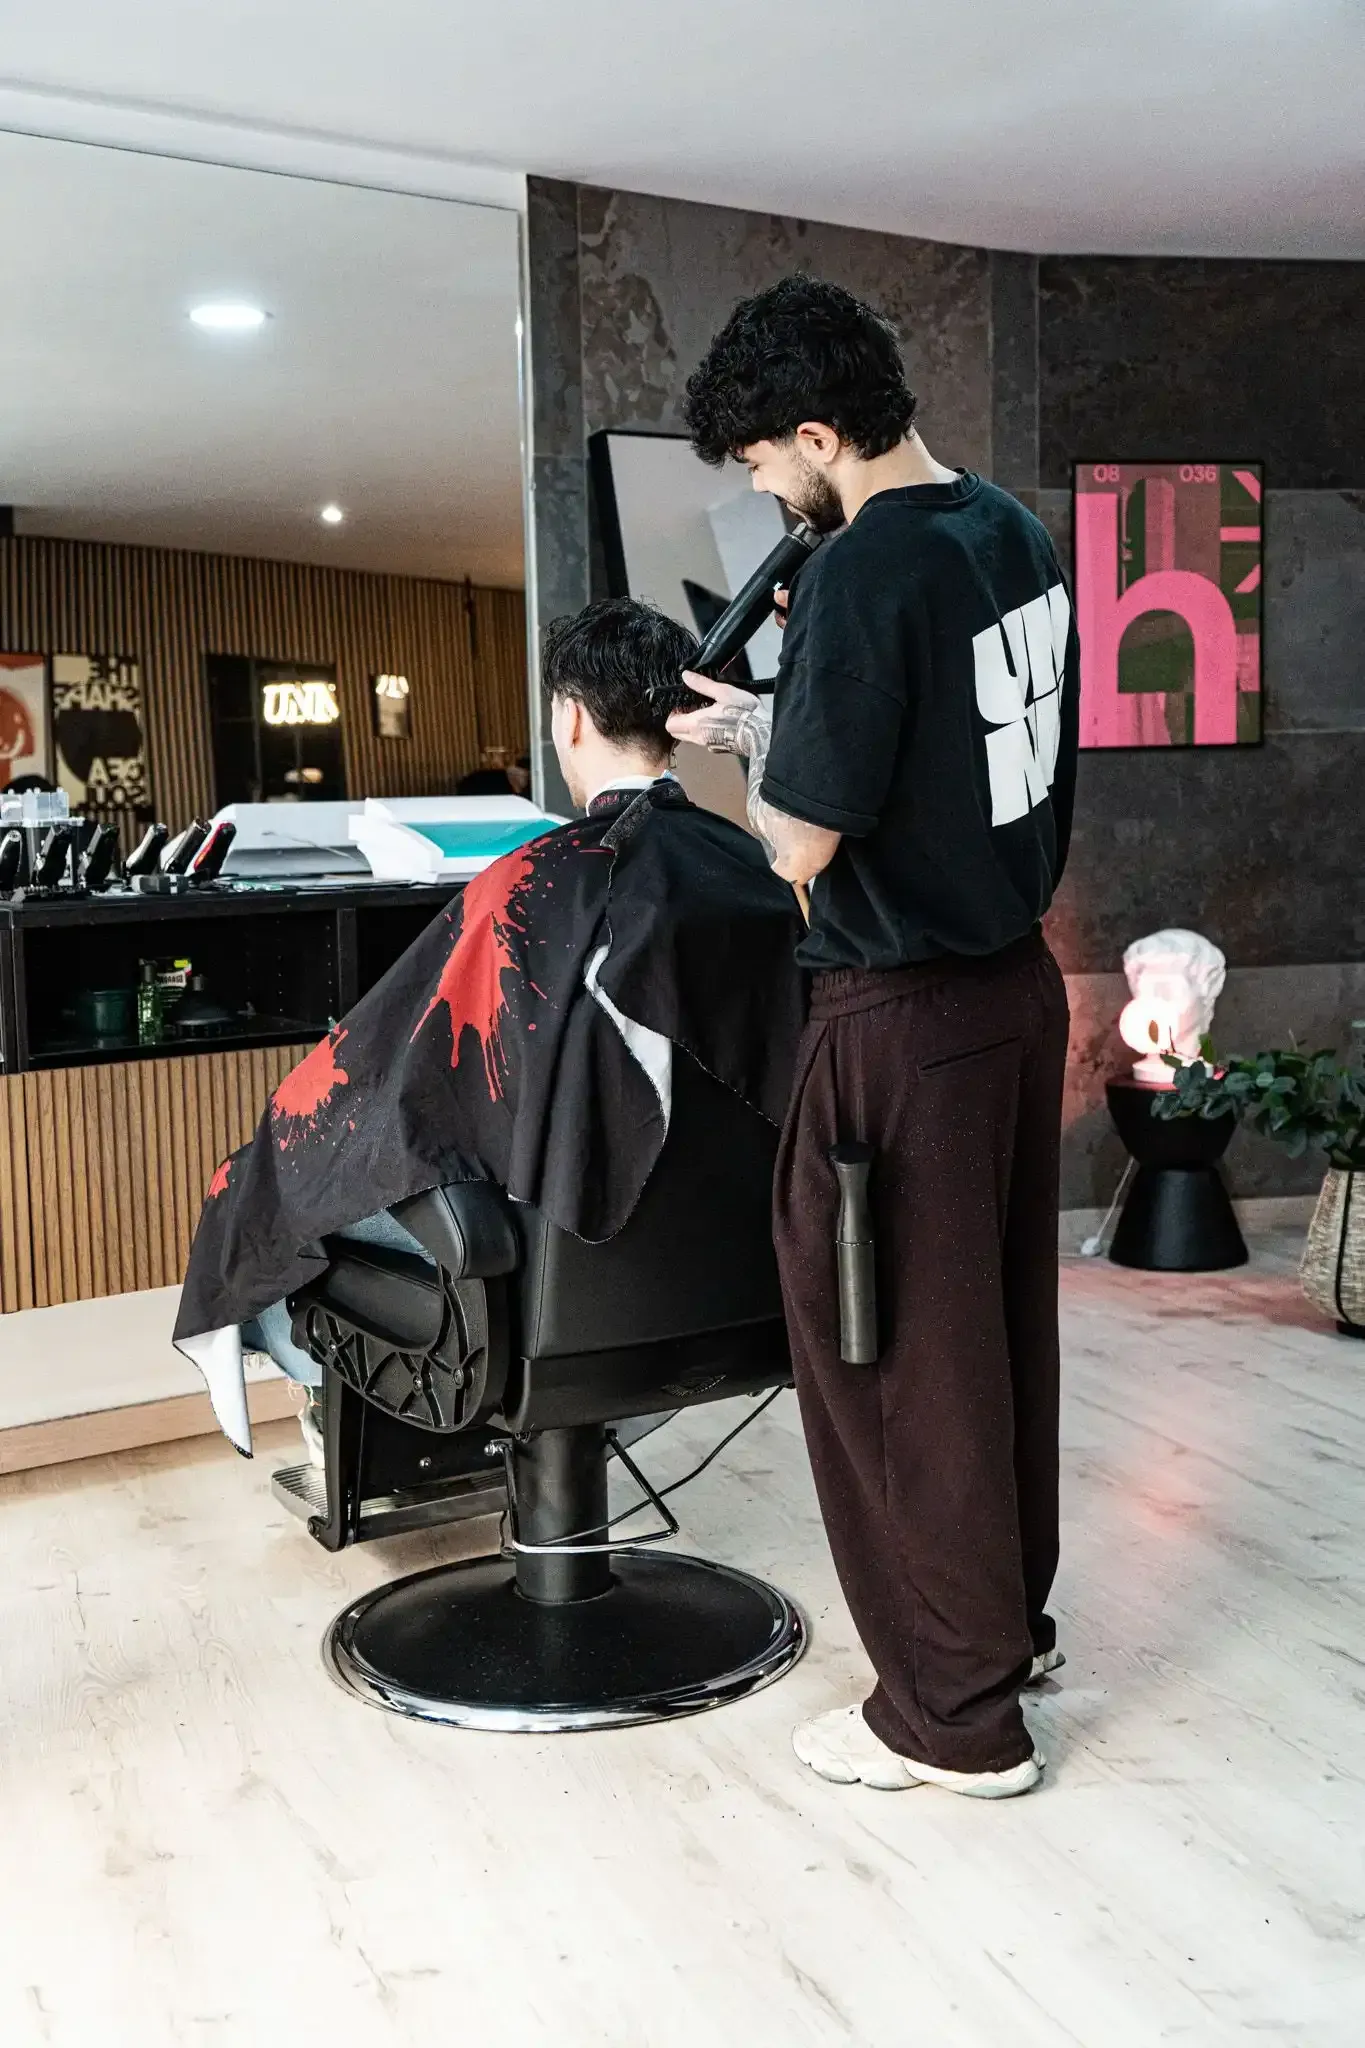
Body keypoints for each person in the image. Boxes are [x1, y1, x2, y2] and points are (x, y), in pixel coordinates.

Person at [670, 275, 1079, 1799]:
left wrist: (756, 740)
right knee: (988, 1350)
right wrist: (786, 716)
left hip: (899, 1019)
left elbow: (799, 849)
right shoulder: (1008, 529)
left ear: (821, 432)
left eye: (770, 467)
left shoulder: (860, 577)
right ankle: (999, 1634)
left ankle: (949, 1720)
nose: (772, 497)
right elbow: (932, 755)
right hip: (1013, 999)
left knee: (893, 1363)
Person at [175, 598, 805, 1455]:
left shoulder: (531, 888)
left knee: (265, 1181)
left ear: (570, 717)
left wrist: (273, 1161)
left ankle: (337, 1417)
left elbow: (384, 1091)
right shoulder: (761, 876)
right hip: (738, 1279)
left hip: (555, 1274)